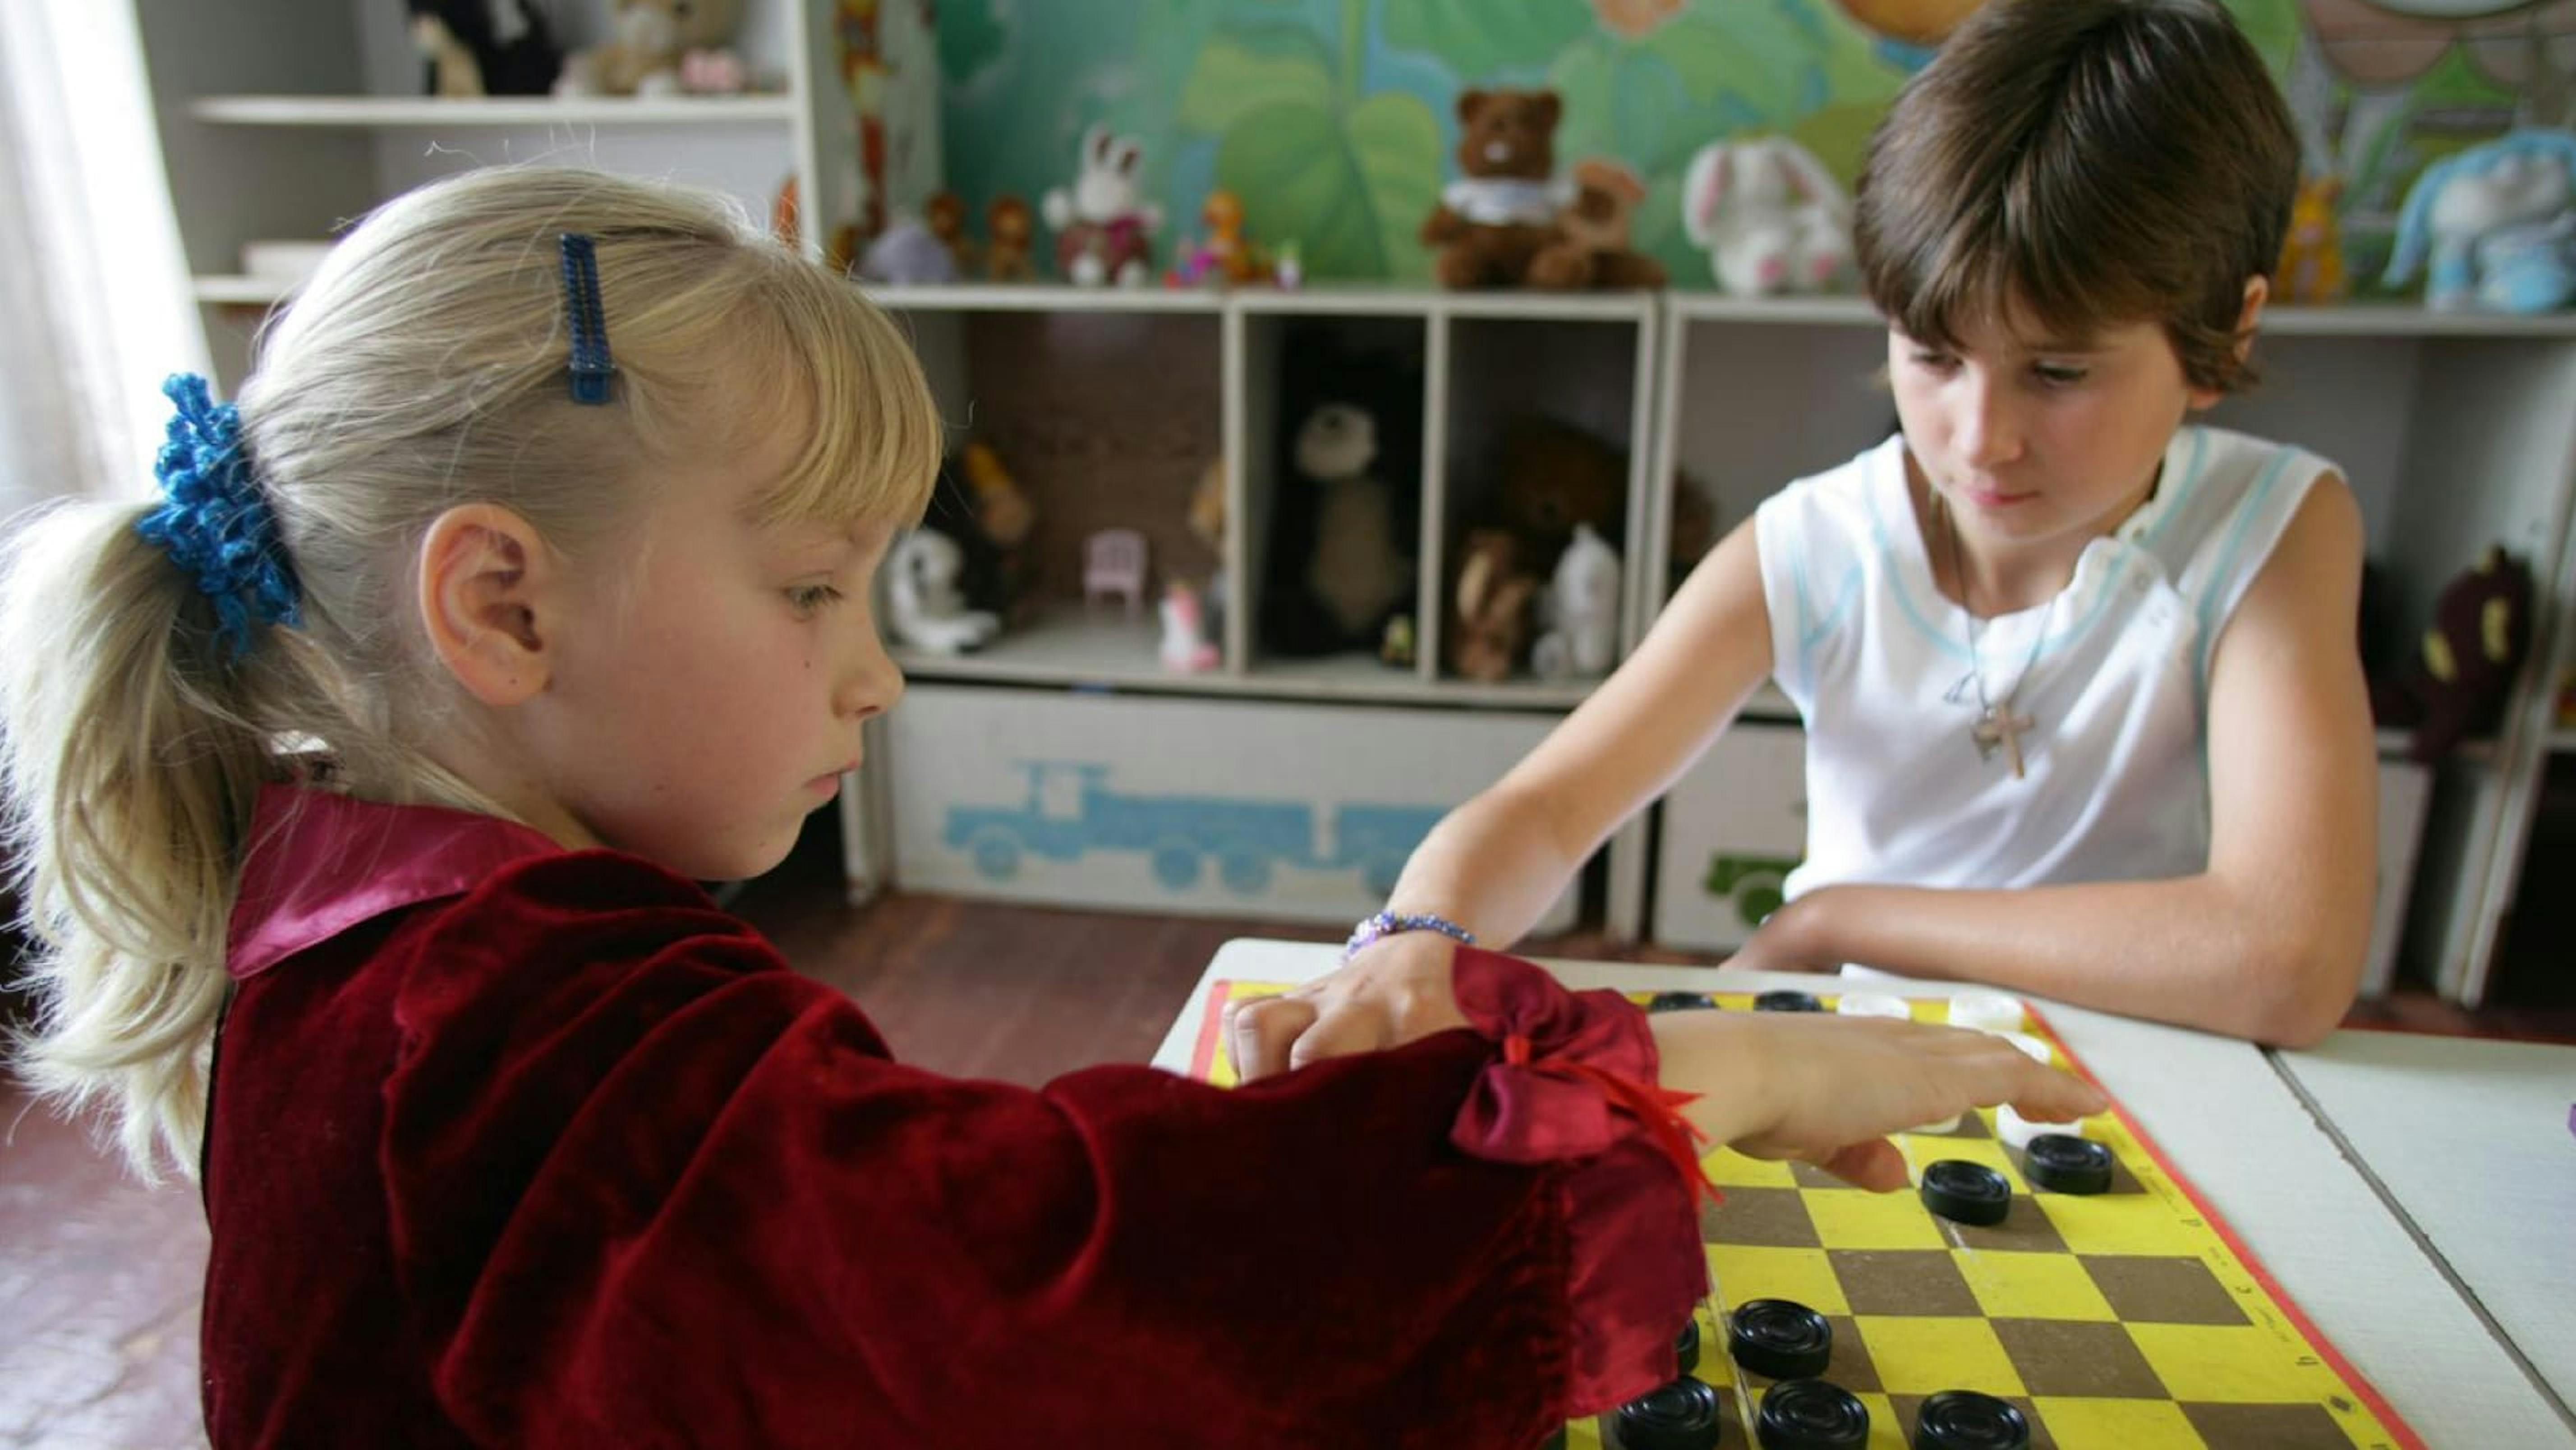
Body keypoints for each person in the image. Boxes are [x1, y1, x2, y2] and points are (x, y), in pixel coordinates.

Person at [0, 165, 2102, 1448]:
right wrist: (1654, 1085)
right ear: (502, 603)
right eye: (814, 586)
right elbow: (1045, 1327)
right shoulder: (501, 1025)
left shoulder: (399, 934)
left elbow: (854, 1214)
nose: (879, 661)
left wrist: (1284, 1121)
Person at [1232, 0, 2375, 1085]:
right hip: (1848, 1072)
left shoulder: (2273, 525)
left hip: (2141, 1071)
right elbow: (1548, 806)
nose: (1981, 441)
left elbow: (2285, 960)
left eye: (2060, 372)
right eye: (1932, 355)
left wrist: (1844, 917)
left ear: (2225, 334)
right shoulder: (1822, 541)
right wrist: (1418, 934)